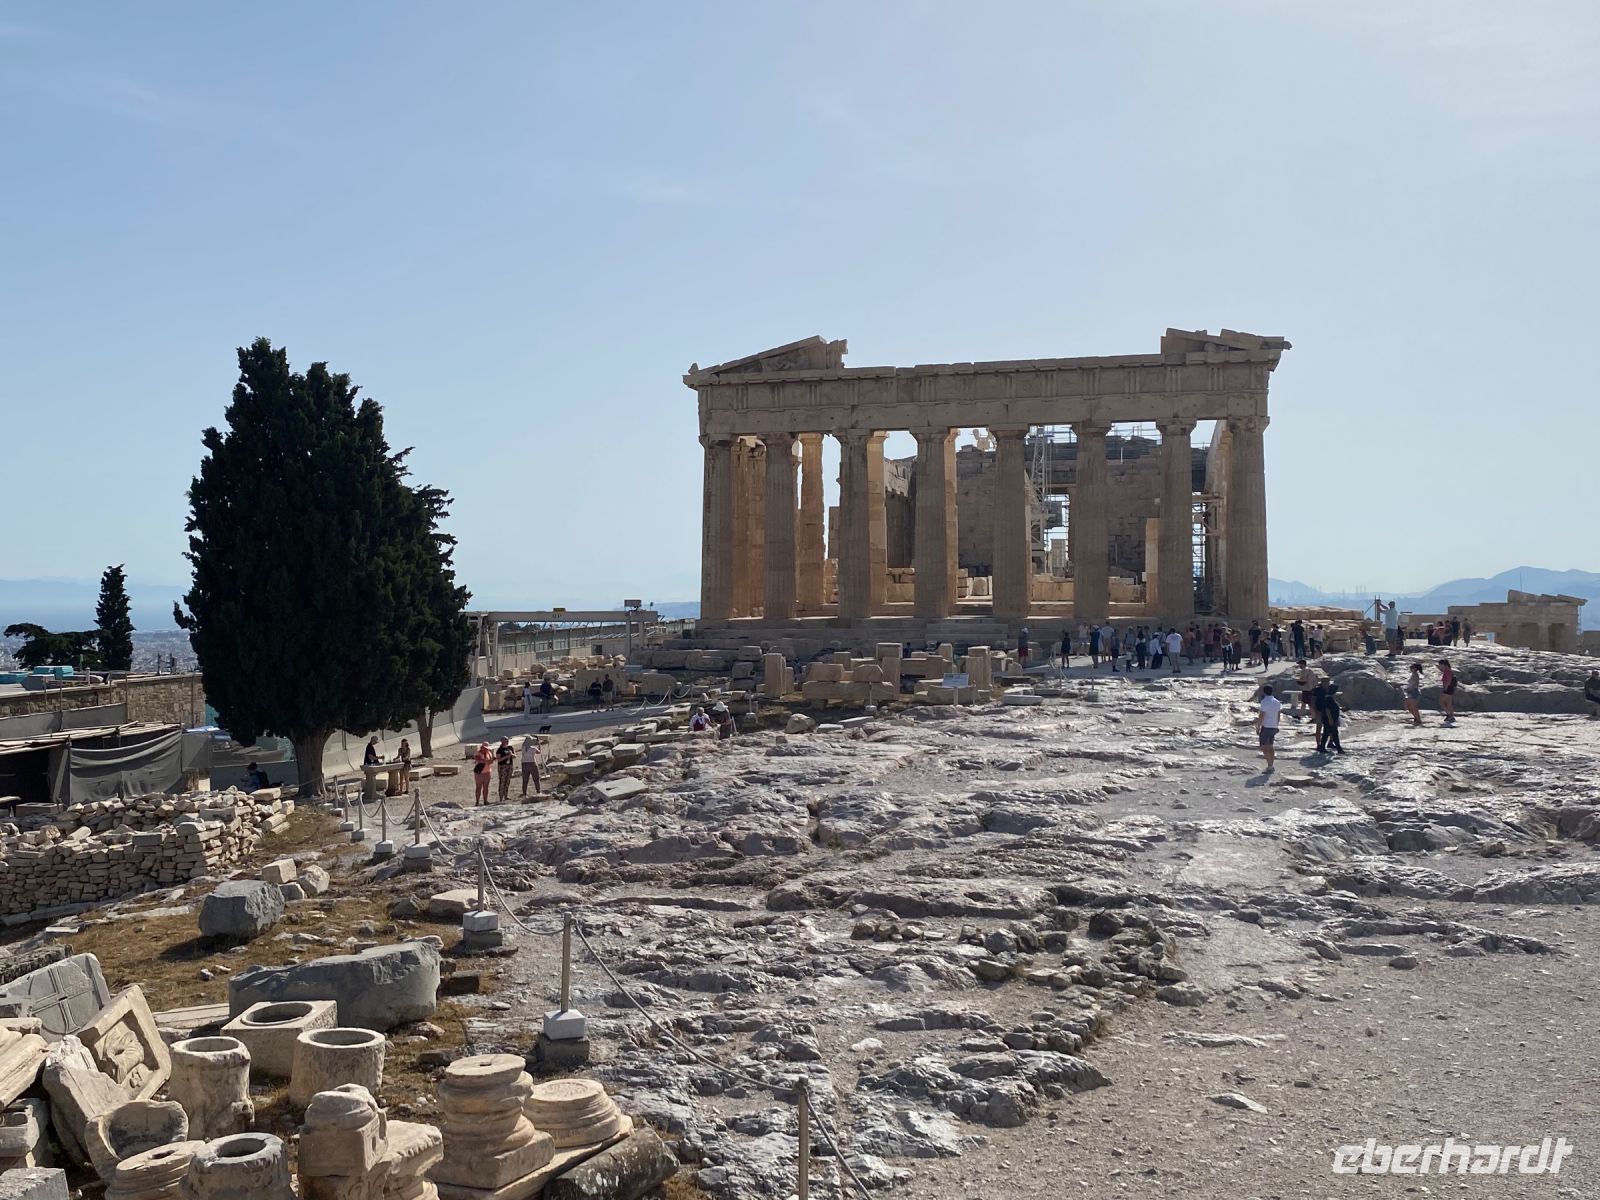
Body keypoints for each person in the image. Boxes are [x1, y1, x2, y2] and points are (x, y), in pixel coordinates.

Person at [1255, 684, 1281, 771]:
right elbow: (1278, 714)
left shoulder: (1264, 702)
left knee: (1263, 746)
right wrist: (1276, 724)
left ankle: (1270, 765)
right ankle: (1271, 765)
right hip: (1273, 726)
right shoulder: (1277, 702)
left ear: (1264, 692)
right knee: (1270, 746)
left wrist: (1258, 726)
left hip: (1266, 726)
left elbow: (1261, 715)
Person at [1319, 680, 1344, 753]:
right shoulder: (1329, 699)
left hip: (1331, 719)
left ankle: (1323, 747)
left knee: (1327, 733)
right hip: (1329, 719)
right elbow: (1327, 710)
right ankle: (1339, 749)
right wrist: (1330, 719)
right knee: (1333, 733)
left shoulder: (1330, 698)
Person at [1403, 661, 1424, 726]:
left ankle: (1418, 719)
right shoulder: (1413, 674)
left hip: (1414, 691)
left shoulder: (1416, 675)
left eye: (1412, 668)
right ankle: (1416, 717)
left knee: (1413, 707)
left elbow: (1416, 683)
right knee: (1408, 706)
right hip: (1411, 691)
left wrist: (1410, 689)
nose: (1411, 669)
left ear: (1415, 668)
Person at [494, 737, 515, 801]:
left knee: (508, 781)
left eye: (507, 740)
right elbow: (499, 759)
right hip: (502, 766)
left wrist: (511, 754)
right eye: (506, 740)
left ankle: (506, 795)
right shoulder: (499, 750)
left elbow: (515, 756)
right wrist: (506, 756)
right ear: (502, 741)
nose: (507, 741)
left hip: (510, 765)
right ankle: (501, 797)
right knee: (502, 781)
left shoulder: (510, 748)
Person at [1438, 659, 1458, 725]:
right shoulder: (1448, 670)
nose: (1440, 666)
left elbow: (1448, 680)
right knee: (1449, 703)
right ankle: (1452, 716)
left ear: (1445, 665)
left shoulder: (1447, 671)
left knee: (1441, 701)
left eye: (1441, 665)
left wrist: (1445, 688)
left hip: (1448, 688)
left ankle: (1449, 715)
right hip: (1450, 688)